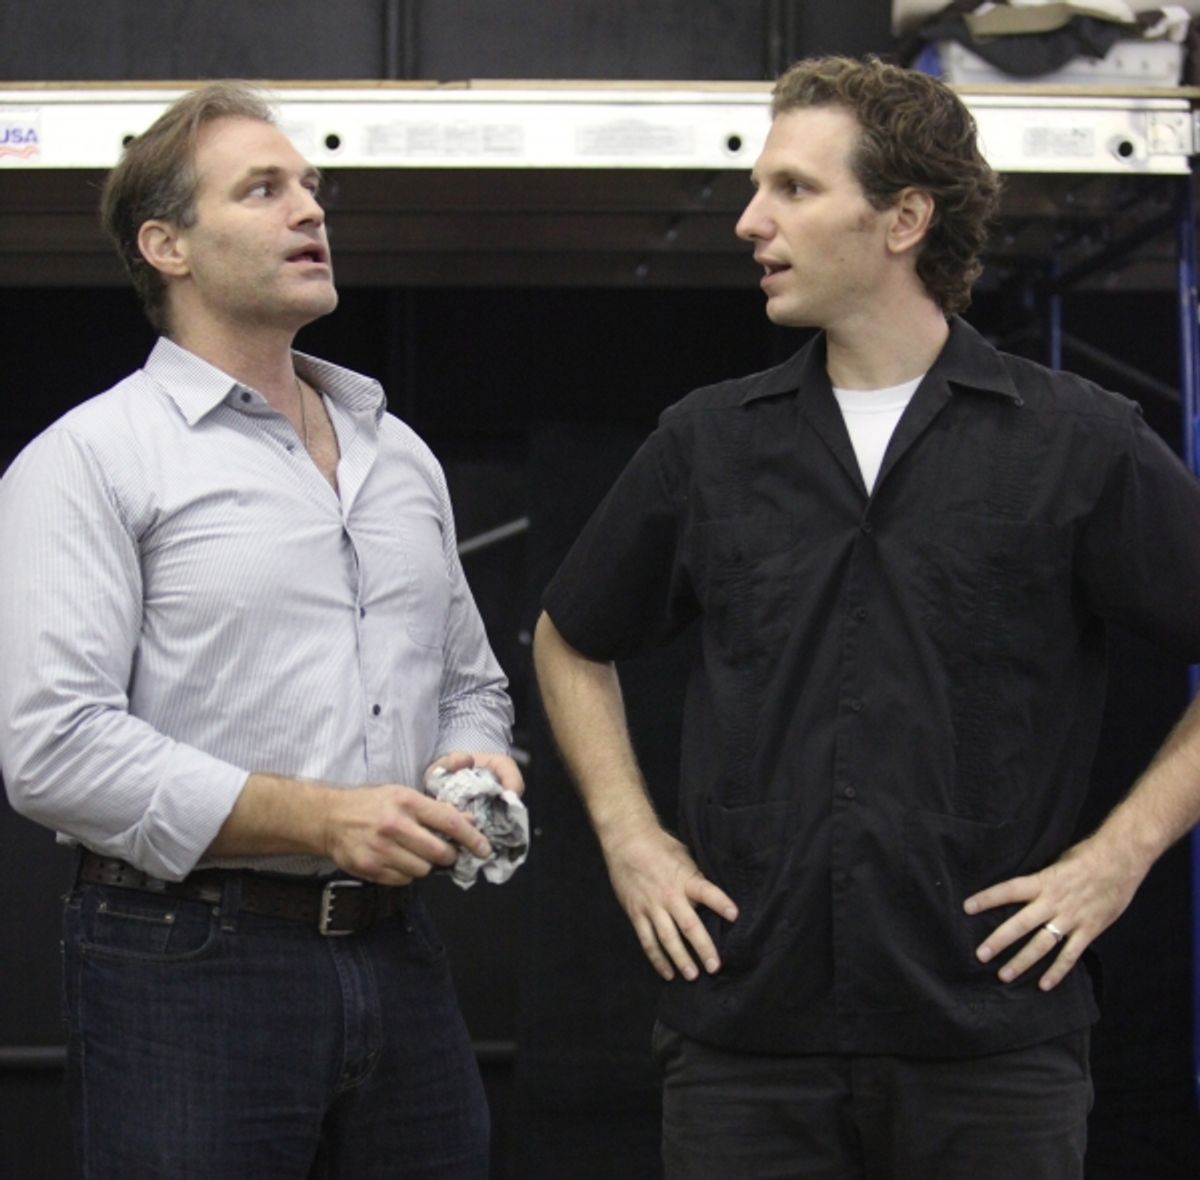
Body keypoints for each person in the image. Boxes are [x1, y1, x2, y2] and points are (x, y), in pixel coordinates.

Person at [533, 54, 1200, 1178]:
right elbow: (570, 635)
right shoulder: (711, 440)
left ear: (903, 218)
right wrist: (631, 838)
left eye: (793, 189)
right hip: (747, 1041)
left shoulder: (1077, 441)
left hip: (993, 1041)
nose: (751, 221)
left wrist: (1119, 856)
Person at [0, 81, 521, 1179]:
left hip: (399, 948)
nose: (310, 211)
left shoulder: (399, 455)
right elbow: (53, 748)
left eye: (313, 189)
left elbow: (469, 681)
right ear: (168, 245)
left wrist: (478, 751)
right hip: (184, 958)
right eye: (265, 189)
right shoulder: (89, 461)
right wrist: (322, 816)